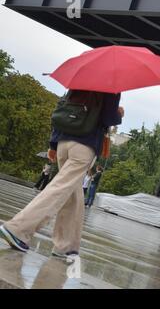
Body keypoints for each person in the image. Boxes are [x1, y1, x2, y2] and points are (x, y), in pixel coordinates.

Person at [0, 90, 124, 257]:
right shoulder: (111, 85)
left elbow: (63, 110)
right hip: (84, 145)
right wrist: (118, 115)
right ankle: (17, 229)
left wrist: (53, 144)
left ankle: (66, 246)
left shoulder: (78, 82)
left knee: (73, 193)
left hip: (63, 143)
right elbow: (108, 117)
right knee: (59, 189)